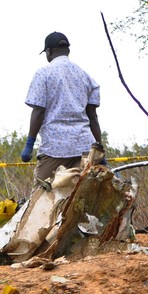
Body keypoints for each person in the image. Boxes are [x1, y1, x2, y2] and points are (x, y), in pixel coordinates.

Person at [20, 32, 102, 184]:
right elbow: (93, 117)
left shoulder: (43, 74)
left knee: (41, 196)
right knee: (80, 197)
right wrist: (99, 150)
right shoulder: (86, 77)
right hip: (84, 147)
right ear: (67, 51)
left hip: (54, 149)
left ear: (49, 52)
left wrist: (29, 144)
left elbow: (38, 111)